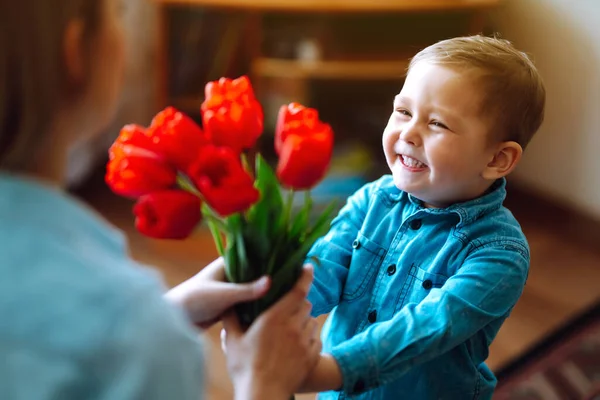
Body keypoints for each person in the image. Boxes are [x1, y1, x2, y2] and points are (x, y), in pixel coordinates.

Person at [0, 1, 320, 399]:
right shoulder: (134, 333)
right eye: (116, 14)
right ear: (75, 53)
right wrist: (264, 385)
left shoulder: (129, 326)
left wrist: (169, 312)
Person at [297, 35, 546, 399]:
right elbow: (321, 270)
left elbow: (426, 329)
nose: (409, 133)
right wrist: (272, 313)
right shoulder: (372, 199)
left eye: (438, 124)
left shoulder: (501, 254)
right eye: (403, 111)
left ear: (497, 160)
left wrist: (328, 372)